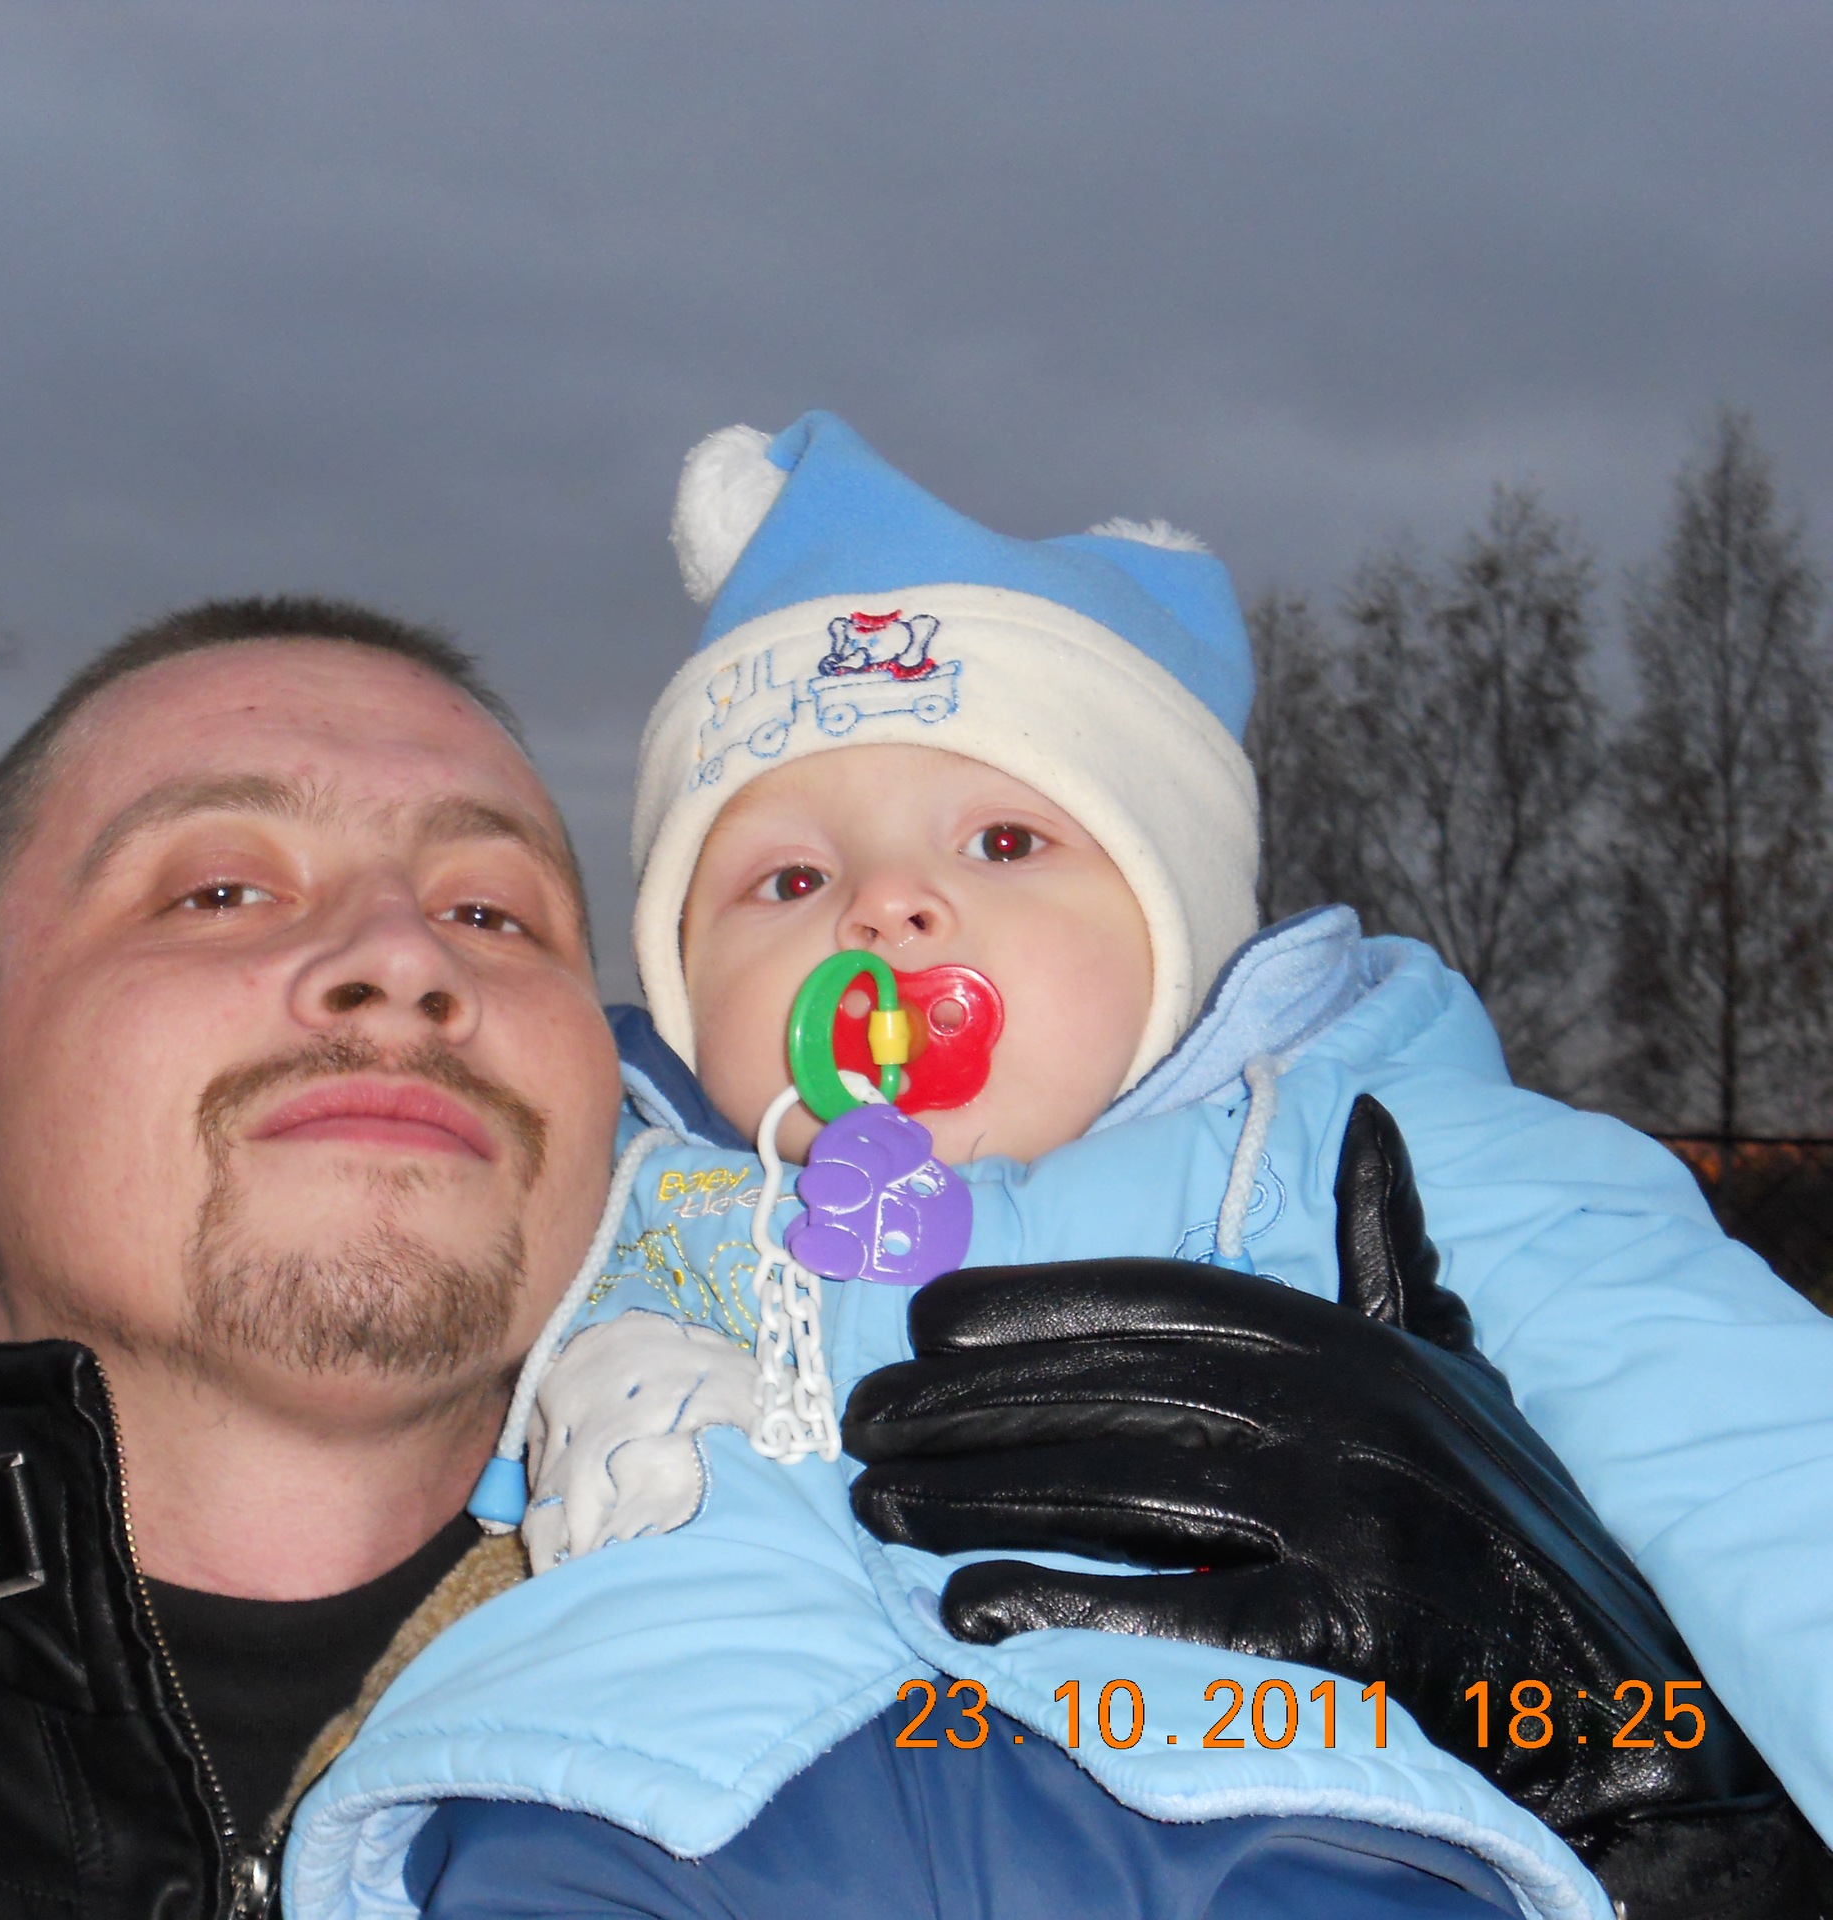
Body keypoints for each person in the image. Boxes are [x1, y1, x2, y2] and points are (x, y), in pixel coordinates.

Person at [0, 593, 1791, 1920]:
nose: (398, 958)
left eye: (493, 910)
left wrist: (1665, 1820)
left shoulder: (981, 1714)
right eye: (219, 887)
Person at [287, 417, 1833, 1920]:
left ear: (1179, 934)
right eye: (790, 876)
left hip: (1258, 1816)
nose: (885, 910)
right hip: (654, 1820)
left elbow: (1755, 1464)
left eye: (1005, 844)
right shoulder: (613, 1195)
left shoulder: (1372, 1150)